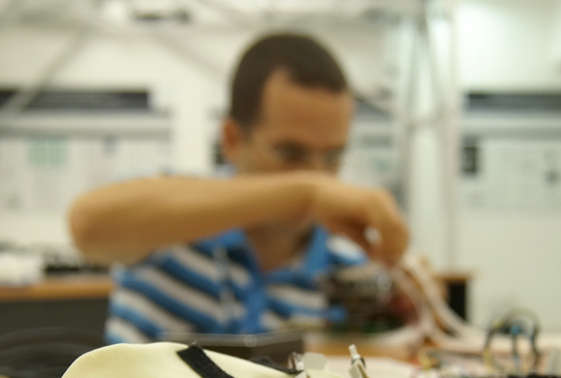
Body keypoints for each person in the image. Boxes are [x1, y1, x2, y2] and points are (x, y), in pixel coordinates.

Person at [69, 32, 409, 343]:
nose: (318, 175)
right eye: (290, 153)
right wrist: (303, 194)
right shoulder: (173, 213)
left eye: (333, 156)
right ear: (232, 140)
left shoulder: (346, 270)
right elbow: (87, 226)